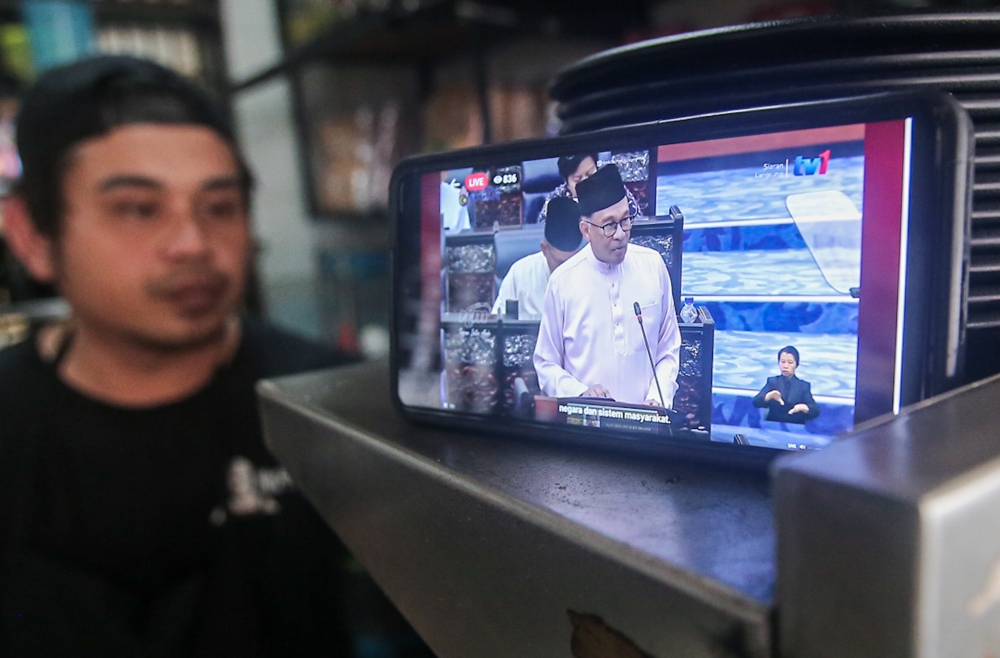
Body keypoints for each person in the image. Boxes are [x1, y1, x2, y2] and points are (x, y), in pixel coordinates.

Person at [0, 56, 358, 655]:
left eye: (219, 207)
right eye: (139, 208)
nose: (193, 243)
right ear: (34, 236)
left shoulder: (330, 401)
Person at [533, 164, 680, 406]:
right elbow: (546, 364)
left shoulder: (653, 265)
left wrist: (657, 398)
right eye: (609, 225)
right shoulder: (562, 282)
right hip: (587, 431)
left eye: (625, 221)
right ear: (586, 230)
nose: (621, 234)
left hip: (646, 426)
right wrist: (580, 393)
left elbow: (669, 349)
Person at [491, 196, 583, 316]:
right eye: (560, 263)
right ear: (544, 249)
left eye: (573, 261)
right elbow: (498, 324)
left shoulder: (595, 276)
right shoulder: (520, 274)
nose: (567, 269)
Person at [536, 153, 640, 223]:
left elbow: (638, 222)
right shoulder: (555, 201)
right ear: (566, 181)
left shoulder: (614, 188)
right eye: (578, 179)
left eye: (590, 174)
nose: (586, 183)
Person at [752, 345, 820, 424]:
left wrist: (805, 408)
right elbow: (756, 402)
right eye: (782, 362)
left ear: (796, 364)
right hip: (773, 427)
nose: (785, 366)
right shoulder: (772, 382)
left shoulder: (803, 386)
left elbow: (815, 411)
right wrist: (768, 397)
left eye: (790, 362)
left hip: (795, 428)